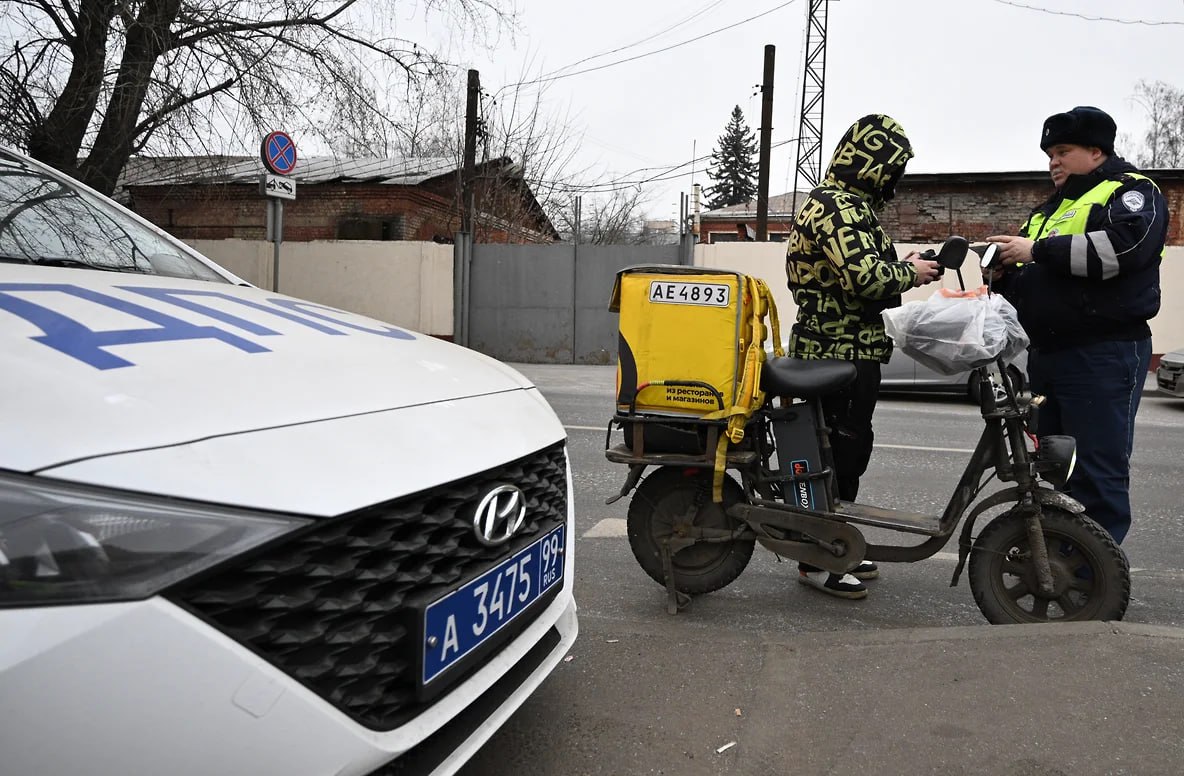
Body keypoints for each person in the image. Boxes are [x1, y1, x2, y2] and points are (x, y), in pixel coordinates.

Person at [986, 105, 1166, 546]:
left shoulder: (1131, 192)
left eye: (1063, 151)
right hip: (1049, 355)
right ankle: (1058, 557)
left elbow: (1125, 251)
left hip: (1102, 351)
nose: (1053, 162)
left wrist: (1037, 251)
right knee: (1055, 465)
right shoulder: (1049, 211)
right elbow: (1030, 274)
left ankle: (1091, 581)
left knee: (1096, 469)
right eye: (1049, 153)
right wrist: (1001, 268)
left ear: (1096, 151)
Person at [785, 113, 941, 598]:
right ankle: (817, 557)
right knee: (833, 453)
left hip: (852, 350)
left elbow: (864, 270)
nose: (894, 180)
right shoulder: (835, 206)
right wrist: (909, 275)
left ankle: (837, 539)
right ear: (870, 163)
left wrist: (904, 265)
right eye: (891, 167)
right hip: (833, 354)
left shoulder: (853, 207)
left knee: (847, 452)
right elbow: (865, 279)